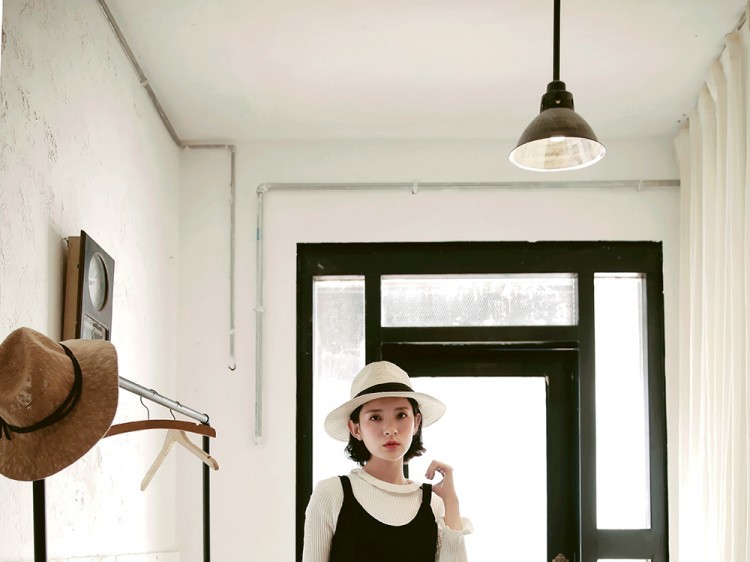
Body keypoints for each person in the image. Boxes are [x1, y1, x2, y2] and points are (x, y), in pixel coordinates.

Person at [303, 361, 471, 562]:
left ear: (416, 422)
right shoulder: (332, 494)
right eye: (375, 417)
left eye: (401, 415)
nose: (391, 429)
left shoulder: (433, 504)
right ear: (355, 428)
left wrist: (451, 503)